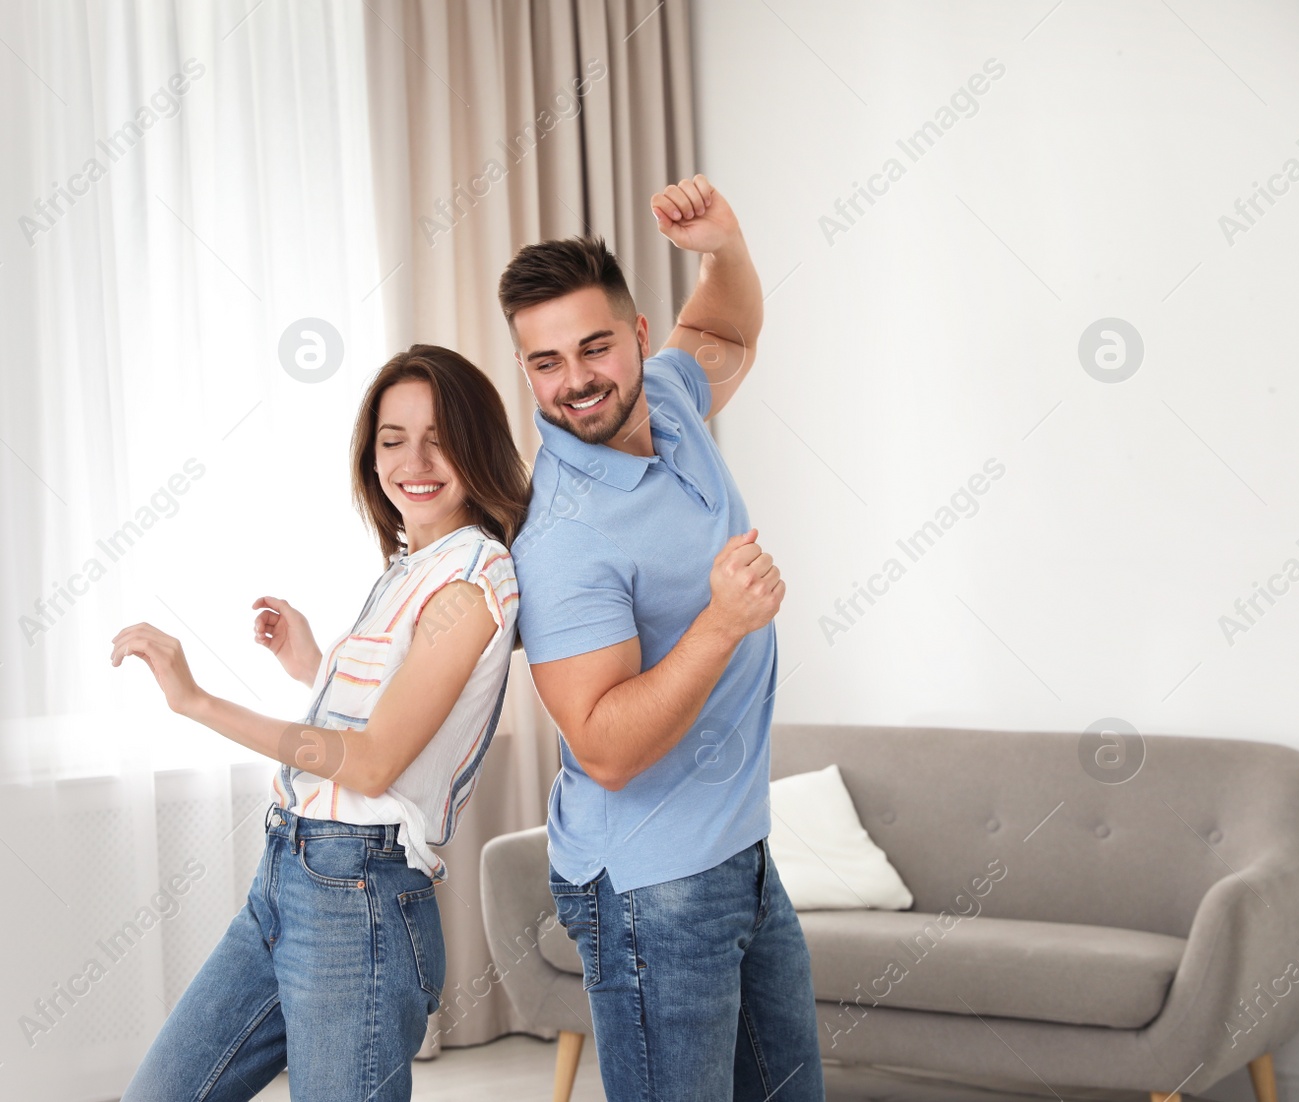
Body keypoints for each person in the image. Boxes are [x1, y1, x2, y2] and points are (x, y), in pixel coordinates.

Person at [113, 344, 528, 1101]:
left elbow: (370, 766)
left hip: (357, 892)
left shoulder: (470, 583)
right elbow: (398, 722)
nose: (415, 460)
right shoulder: (413, 566)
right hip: (289, 875)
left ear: (479, 444)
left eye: (439, 437)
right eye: (393, 439)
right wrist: (315, 665)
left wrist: (198, 701)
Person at [500, 175, 826, 1100]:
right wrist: (723, 624)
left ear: (641, 337)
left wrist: (725, 249)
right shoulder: (562, 538)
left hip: (739, 854)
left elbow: (726, 333)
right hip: (654, 890)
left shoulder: (673, 404)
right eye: (546, 362)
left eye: (594, 346)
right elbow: (603, 749)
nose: (576, 382)